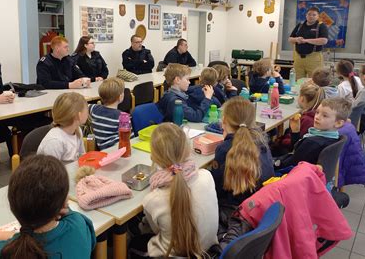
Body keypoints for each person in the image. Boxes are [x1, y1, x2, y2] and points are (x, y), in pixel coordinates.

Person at [0, 155, 96, 258]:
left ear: (13, 205)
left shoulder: (1, 252)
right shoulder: (78, 226)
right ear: (63, 203)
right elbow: (77, 222)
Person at [131, 123, 218, 258]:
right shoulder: (207, 176)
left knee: (134, 240)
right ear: (187, 149)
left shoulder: (153, 200)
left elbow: (153, 230)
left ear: (153, 157)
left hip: (171, 255)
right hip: (209, 251)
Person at [211, 97, 274, 228]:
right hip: (259, 206)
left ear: (224, 121)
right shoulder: (262, 141)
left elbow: (216, 189)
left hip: (234, 212)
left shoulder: (224, 149)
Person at [274, 98, 348, 169]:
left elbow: (291, 163)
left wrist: (274, 163)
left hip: (290, 175)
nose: (317, 117)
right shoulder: (333, 137)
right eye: (317, 112)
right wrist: (295, 132)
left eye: (325, 115)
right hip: (308, 175)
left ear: (338, 123)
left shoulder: (313, 142)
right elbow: (297, 151)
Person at [273, 82, 326, 154]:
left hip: (292, 152)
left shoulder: (307, 119)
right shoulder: (314, 116)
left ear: (302, 99)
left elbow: (294, 143)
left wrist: (280, 141)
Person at [37, 93, 87, 162]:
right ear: (79, 115)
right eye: (86, 109)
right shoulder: (54, 142)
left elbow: (82, 158)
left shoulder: (77, 130)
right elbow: (52, 171)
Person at [89, 77, 131, 150]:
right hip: (119, 150)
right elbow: (129, 140)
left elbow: (84, 105)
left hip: (101, 150)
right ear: (120, 97)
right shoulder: (123, 117)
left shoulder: (94, 109)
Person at [289, 6, 328, 79]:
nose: (311, 16)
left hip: (314, 58)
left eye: (314, 15)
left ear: (318, 16)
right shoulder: (300, 25)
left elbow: (324, 40)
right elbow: (290, 39)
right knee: (297, 80)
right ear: (306, 15)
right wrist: (297, 39)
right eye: (309, 14)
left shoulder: (321, 26)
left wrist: (306, 40)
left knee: (315, 80)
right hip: (298, 58)